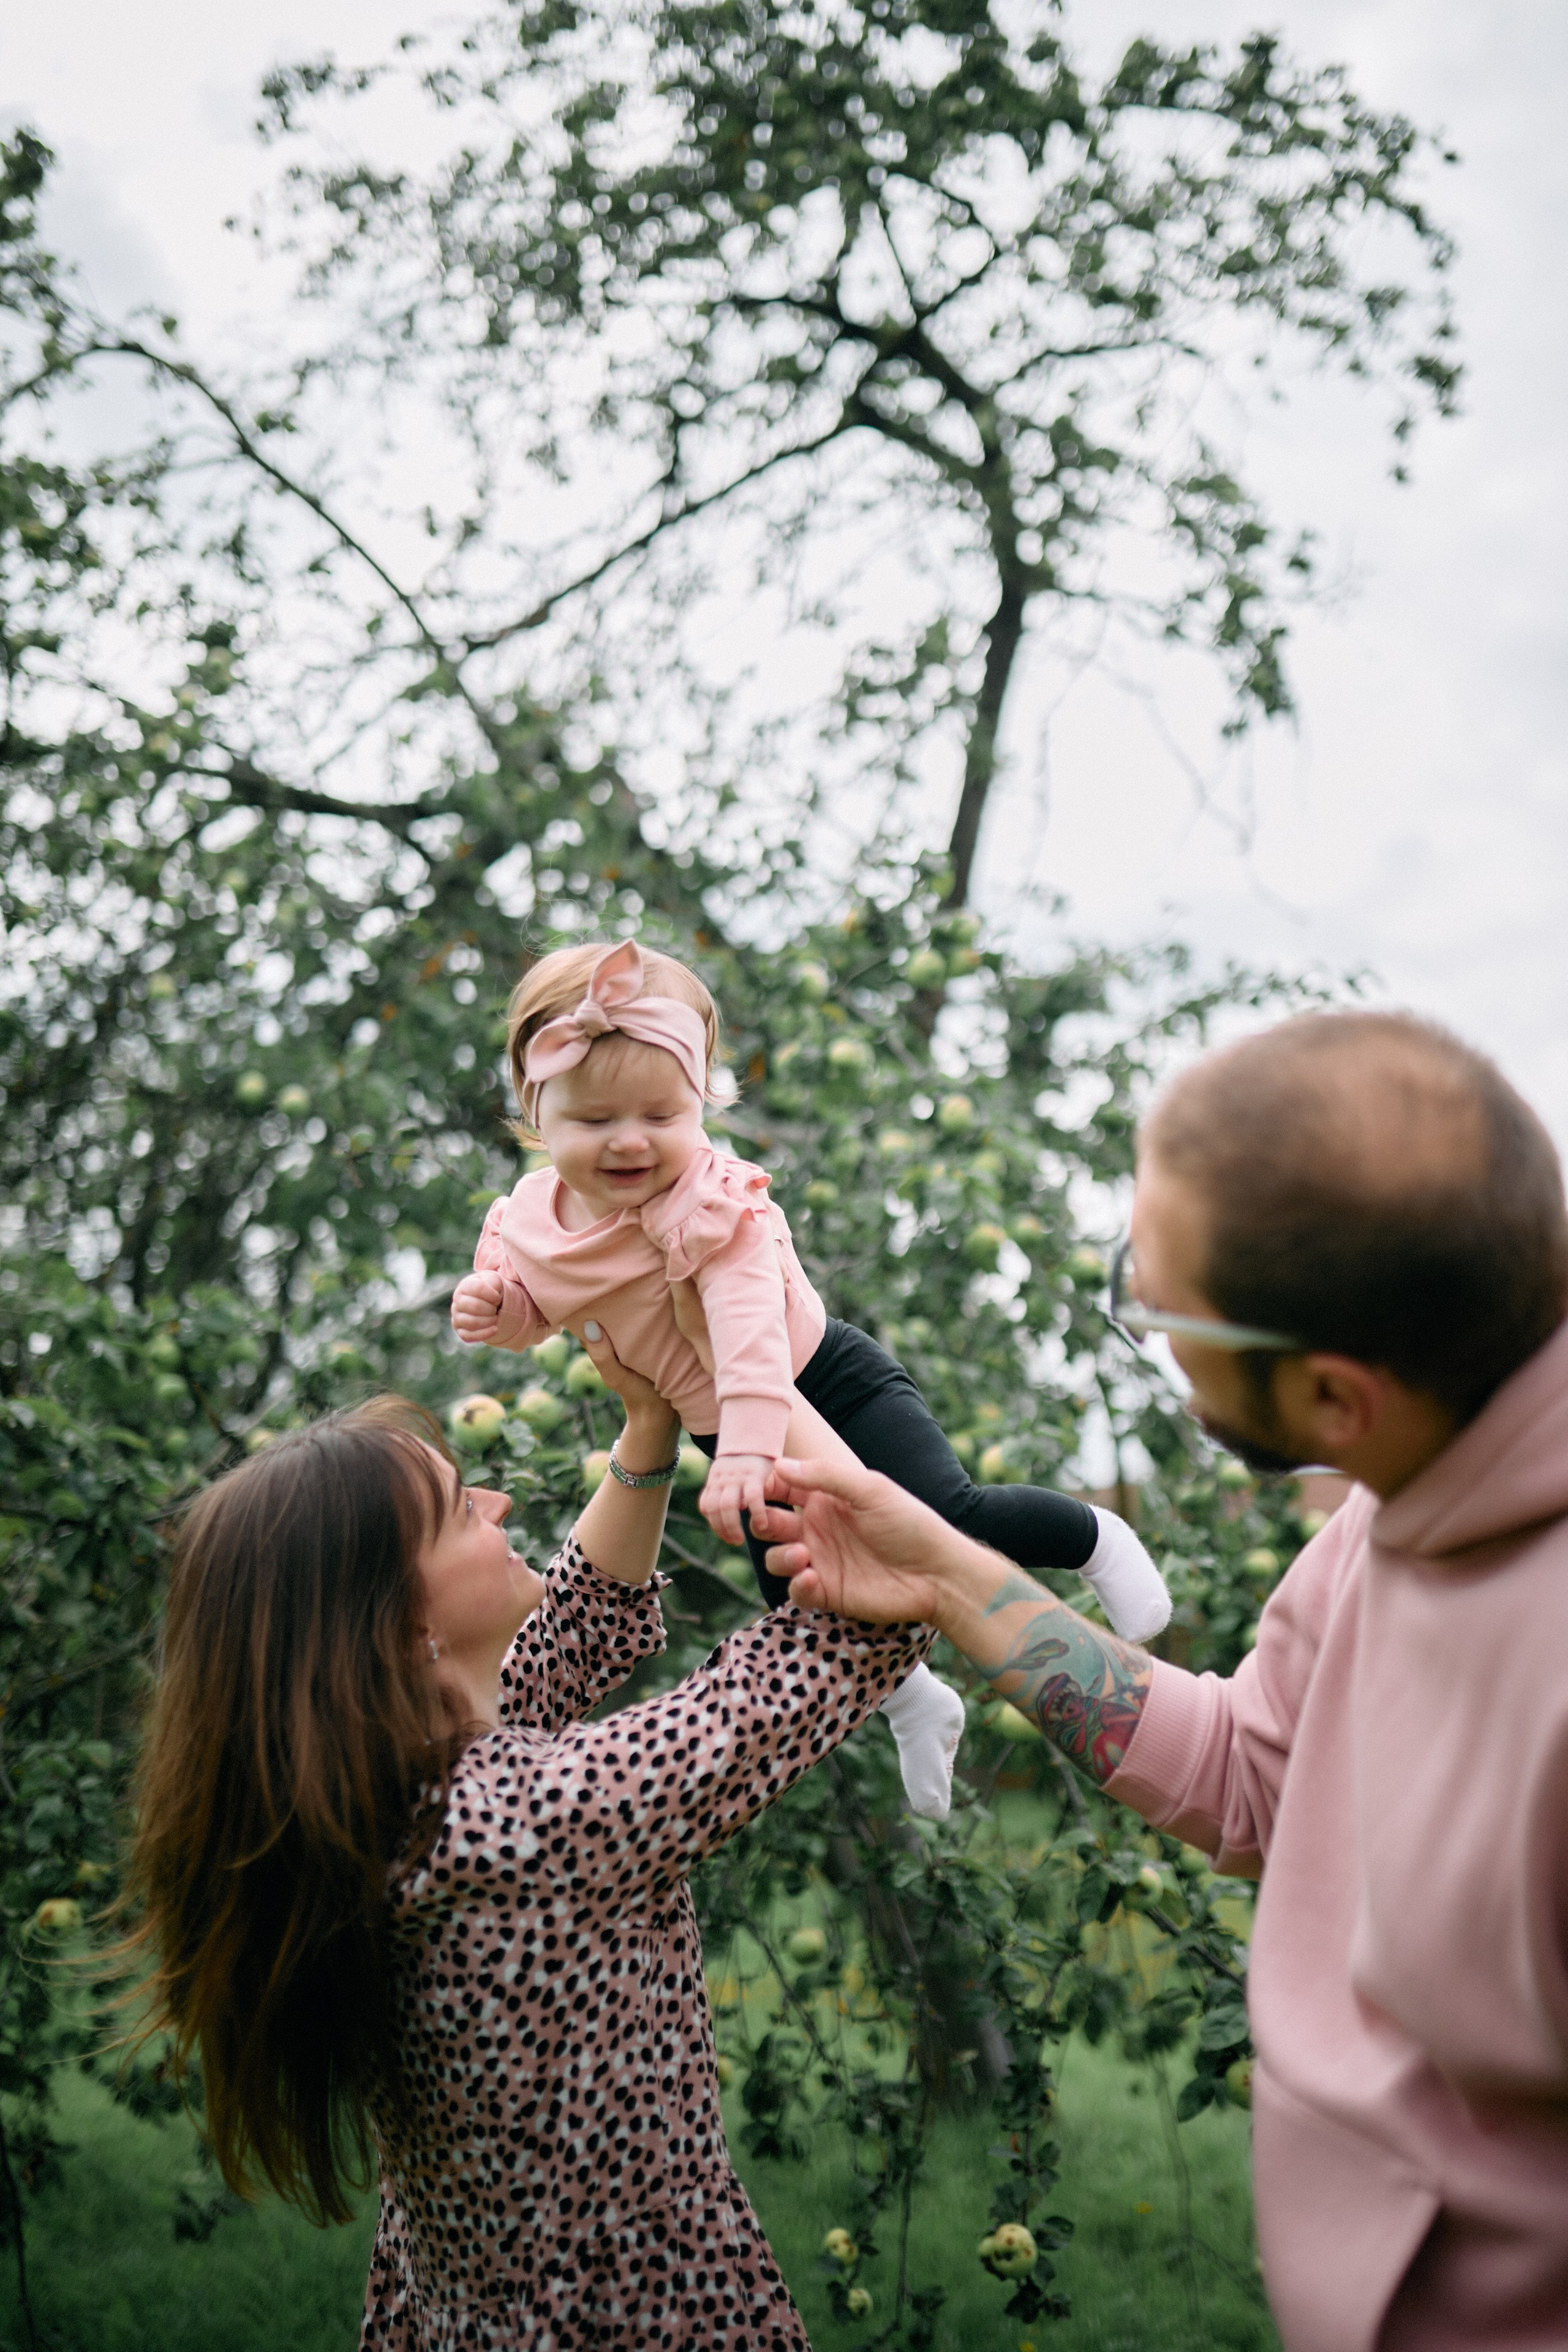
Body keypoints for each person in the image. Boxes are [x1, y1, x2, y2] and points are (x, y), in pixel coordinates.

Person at [756, 1010, 1568, 2352]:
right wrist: (955, 1578)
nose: (1148, 1336)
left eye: (1163, 1312)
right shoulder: (1397, 1495)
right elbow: (1255, 1771)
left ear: (1331, 1399)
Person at [124, 1325, 932, 2351]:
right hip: (644, 2320)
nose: (500, 1505)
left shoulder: (378, 1798)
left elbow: (569, 1637)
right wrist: (785, 1391)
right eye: (464, 1513)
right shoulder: (522, 1826)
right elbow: (858, 1631)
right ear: (398, 1627)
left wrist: (649, 1427)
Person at [450, 935, 1168, 1817]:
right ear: (537, 1108)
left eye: (664, 1116)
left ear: (700, 1106)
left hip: (821, 1380)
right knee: (804, 1592)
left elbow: (747, 1332)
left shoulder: (708, 1199)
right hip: (725, 1430)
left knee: (945, 1518)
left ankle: (1096, 1538)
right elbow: (540, 1305)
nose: (633, 1143)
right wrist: (501, 1314)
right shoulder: (529, 1219)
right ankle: (915, 1701)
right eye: (598, 1123)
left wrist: (749, 1452)